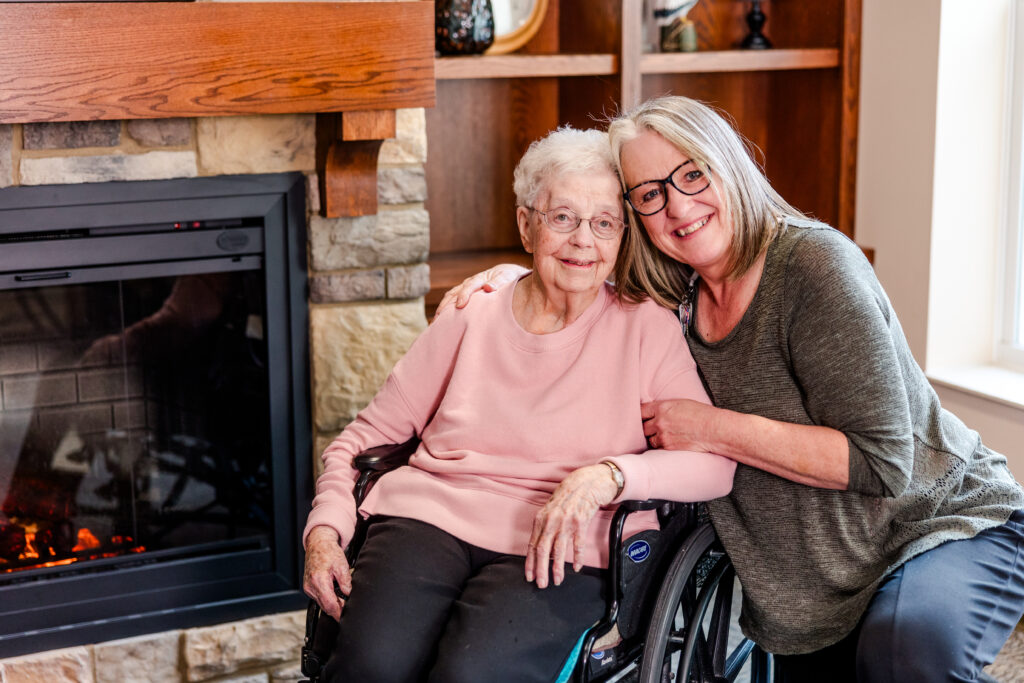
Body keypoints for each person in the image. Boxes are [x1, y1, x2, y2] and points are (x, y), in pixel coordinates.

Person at [440, 95, 1024, 682]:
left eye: (693, 174)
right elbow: (577, 254)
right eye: (649, 194)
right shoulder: (671, 290)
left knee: (906, 650)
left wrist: (708, 427)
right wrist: (510, 278)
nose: (678, 206)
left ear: (730, 164)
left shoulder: (815, 268)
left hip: (939, 526)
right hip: (819, 589)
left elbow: (883, 461)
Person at [302, 125, 736, 683]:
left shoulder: (646, 330)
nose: (584, 241)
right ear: (526, 224)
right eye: (562, 218)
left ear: (623, 236)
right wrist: (324, 532)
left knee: (471, 676)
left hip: (565, 544)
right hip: (428, 521)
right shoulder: (471, 312)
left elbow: (715, 466)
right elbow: (361, 439)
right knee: (370, 665)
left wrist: (609, 476)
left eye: (604, 223)